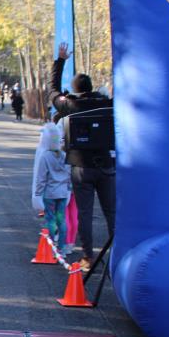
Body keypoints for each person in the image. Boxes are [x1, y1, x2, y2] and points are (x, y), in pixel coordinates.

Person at [47, 42, 115, 272]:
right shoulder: (107, 104)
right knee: (111, 212)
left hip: (80, 166)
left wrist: (60, 61)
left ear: (74, 89)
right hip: (106, 164)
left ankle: (88, 256)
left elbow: (52, 91)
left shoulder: (71, 104)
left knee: (85, 213)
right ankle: (117, 254)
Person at [34, 123, 72, 259]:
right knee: (61, 220)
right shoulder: (65, 155)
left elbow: (41, 177)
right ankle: (62, 249)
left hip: (49, 193)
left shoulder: (45, 156)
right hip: (63, 193)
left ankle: (50, 248)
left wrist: (38, 193)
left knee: (50, 219)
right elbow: (69, 175)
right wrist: (68, 188)